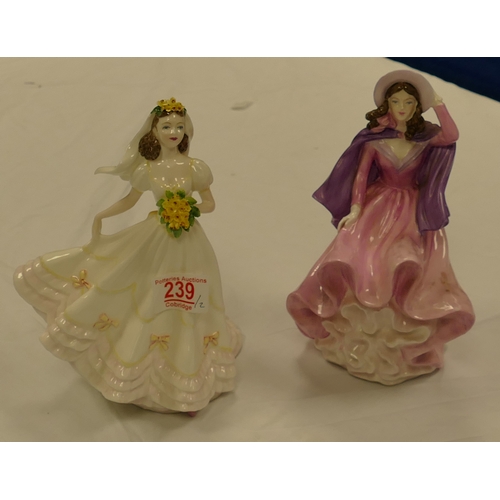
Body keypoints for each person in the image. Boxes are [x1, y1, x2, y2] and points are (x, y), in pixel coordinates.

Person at [14, 98, 242, 413]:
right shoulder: (147, 169)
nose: (173, 132)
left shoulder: (195, 167)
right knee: (147, 293)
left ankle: (189, 366)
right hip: (157, 239)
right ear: (154, 131)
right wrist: (101, 216)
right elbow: (129, 201)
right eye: (166, 126)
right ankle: (143, 362)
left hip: (189, 242)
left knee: (190, 298)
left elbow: (210, 203)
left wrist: (188, 209)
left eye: (179, 126)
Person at [286, 71, 474, 385]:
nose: (402, 107)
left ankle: (403, 322)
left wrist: (439, 104)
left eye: (409, 102)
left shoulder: (424, 138)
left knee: (405, 258)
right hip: (378, 204)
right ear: (387, 104)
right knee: (362, 253)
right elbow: (360, 177)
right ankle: (359, 319)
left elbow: (451, 135)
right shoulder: (374, 139)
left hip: (410, 209)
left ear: (417, 106)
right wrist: (355, 209)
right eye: (396, 101)